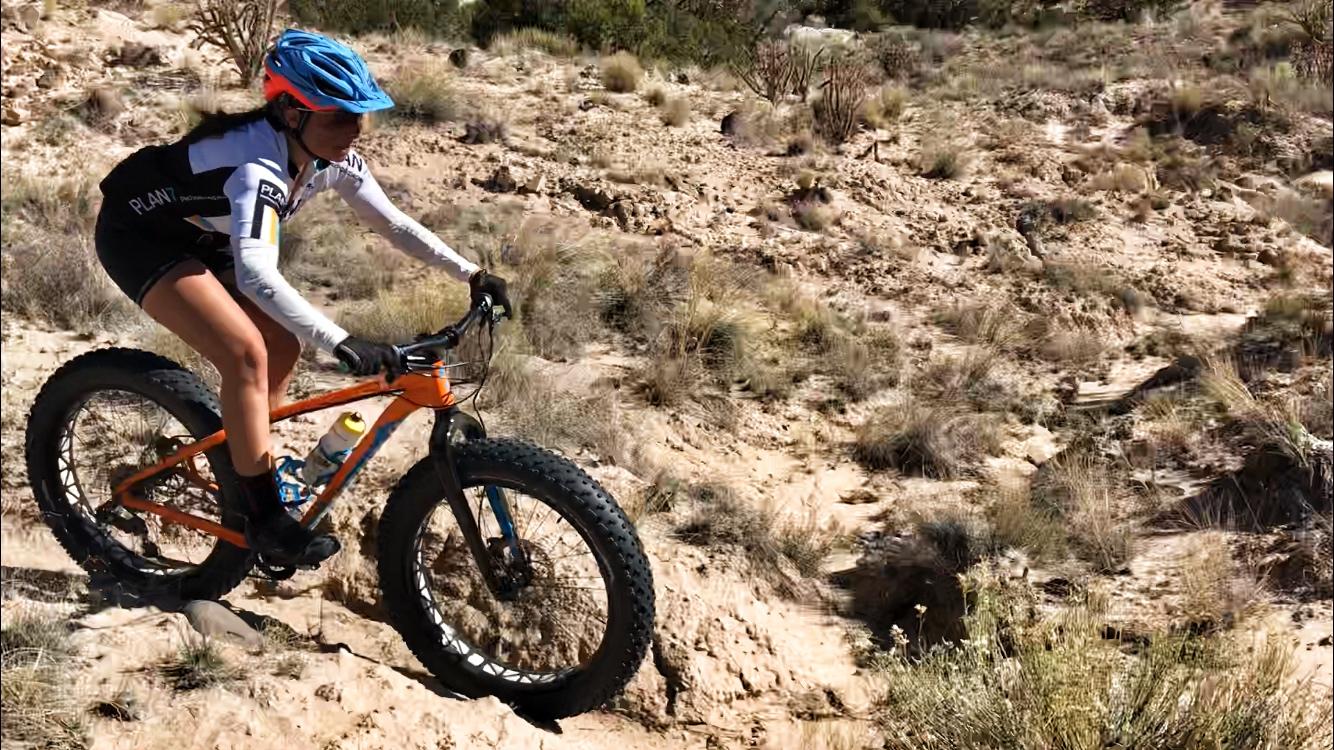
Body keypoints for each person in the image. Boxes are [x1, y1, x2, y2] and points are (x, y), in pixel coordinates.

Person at [93, 29, 512, 567]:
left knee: (282, 348)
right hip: (140, 236)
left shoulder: (326, 154)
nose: (355, 130)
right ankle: (265, 518)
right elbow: (258, 278)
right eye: (339, 116)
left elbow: (392, 223)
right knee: (246, 353)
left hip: (204, 232)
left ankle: (246, 477)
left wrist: (472, 272)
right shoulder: (256, 168)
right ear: (292, 113)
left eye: (360, 116)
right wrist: (341, 341)